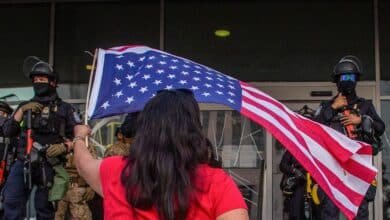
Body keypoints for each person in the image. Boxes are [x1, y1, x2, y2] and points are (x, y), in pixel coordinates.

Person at [71, 89, 249, 220]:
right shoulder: (217, 183)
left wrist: (79, 135)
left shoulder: (115, 170)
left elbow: (82, 163)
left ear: (144, 129)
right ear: (194, 130)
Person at [2, 57, 80, 220]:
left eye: (42, 79)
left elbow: (78, 136)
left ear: (52, 82)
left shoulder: (66, 108)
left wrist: (65, 147)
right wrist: (21, 111)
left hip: (50, 164)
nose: (38, 82)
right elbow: (8, 131)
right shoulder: (25, 106)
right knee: (12, 202)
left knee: (45, 208)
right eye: (35, 79)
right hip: (24, 162)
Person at [314, 55, 385, 220]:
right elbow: (314, 128)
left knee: (359, 213)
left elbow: (380, 127)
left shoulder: (365, 105)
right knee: (329, 213)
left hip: (357, 169)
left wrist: (362, 120)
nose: (347, 80)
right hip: (333, 169)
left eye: (350, 77)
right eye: (343, 77)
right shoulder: (326, 105)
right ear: (337, 80)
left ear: (356, 79)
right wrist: (333, 107)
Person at [280, 150, 306, 220]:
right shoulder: (294, 148)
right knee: (296, 214)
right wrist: (294, 171)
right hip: (297, 185)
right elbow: (283, 165)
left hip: (315, 184)